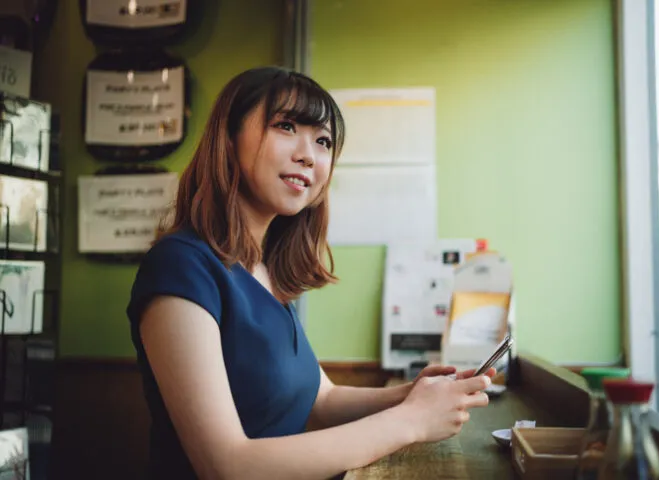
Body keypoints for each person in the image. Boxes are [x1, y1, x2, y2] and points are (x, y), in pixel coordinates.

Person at [126, 66, 495, 480]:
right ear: (228, 139)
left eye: (323, 141)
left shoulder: (263, 272)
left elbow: (321, 401)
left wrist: (411, 395)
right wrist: (410, 421)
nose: (309, 154)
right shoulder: (181, 266)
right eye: (286, 126)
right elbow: (225, 465)